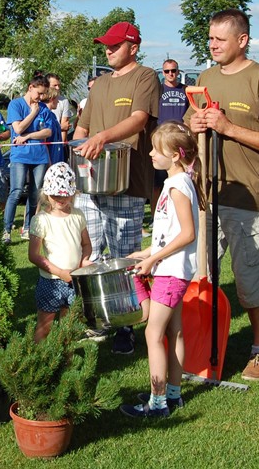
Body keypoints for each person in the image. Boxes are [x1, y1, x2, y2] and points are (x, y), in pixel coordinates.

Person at [187, 9, 259, 380]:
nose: (212, 45)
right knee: (202, 276)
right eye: (210, 38)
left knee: (250, 280)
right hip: (207, 196)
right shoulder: (206, 77)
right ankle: (205, 345)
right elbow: (191, 120)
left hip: (248, 197)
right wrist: (194, 122)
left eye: (220, 39)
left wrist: (229, 128)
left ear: (242, 40)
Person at [73, 21, 160, 355]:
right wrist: (77, 145)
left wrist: (102, 137)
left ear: (133, 47)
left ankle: (126, 326)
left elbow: (139, 119)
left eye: (114, 45)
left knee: (123, 258)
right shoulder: (101, 84)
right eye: (105, 46)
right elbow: (83, 126)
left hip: (127, 182)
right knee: (91, 253)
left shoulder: (145, 76)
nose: (107, 51)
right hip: (90, 181)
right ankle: (96, 319)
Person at [121, 121, 203, 418]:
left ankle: (157, 404)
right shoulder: (177, 183)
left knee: (152, 334)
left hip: (170, 272)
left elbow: (188, 233)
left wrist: (153, 261)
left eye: (158, 150)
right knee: (174, 331)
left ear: (177, 155)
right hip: (172, 268)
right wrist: (144, 252)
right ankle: (173, 394)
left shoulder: (178, 186)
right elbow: (170, 234)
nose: (152, 154)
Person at [27, 162, 91, 342]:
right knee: (44, 327)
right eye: (55, 195)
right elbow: (34, 255)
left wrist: (84, 261)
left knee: (69, 327)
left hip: (75, 280)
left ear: (73, 193)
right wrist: (61, 273)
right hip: (51, 282)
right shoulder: (41, 220)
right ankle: (37, 364)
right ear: (46, 193)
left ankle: (66, 364)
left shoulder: (78, 215)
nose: (60, 199)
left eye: (65, 195)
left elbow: (86, 244)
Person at [4, 76, 52, 243]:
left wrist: (29, 136)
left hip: (39, 157)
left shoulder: (44, 108)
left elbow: (48, 132)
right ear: (30, 87)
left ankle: (28, 227)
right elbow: (18, 128)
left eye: (44, 94)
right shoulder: (15, 105)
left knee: (35, 194)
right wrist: (33, 113)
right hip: (20, 156)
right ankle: (6, 230)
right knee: (16, 191)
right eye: (39, 93)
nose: (41, 97)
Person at [154, 59, 188, 211]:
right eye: (167, 71)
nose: (170, 74)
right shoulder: (158, 91)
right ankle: (156, 215)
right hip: (162, 140)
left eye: (173, 71)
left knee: (182, 177)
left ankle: (181, 210)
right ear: (163, 73)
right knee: (158, 180)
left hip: (180, 139)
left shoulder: (186, 90)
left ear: (178, 72)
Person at [46, 73, 72, 138]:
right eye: (54, 85)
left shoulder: (64, 101)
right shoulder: (39, 100)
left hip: (57, 140)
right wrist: (60, 127)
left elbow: (65, 126)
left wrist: (61, 144)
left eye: (58, 85)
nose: (57, 88)